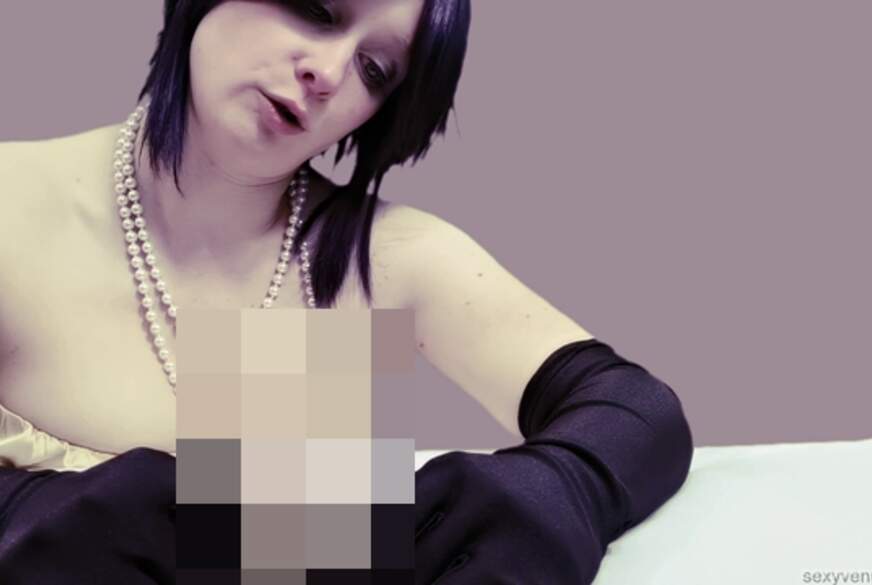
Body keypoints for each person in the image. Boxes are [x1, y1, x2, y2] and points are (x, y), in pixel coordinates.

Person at [0, 1, 694, 583]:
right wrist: (25, 505)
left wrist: (550, 490)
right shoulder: (14, 205)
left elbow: (636, 411)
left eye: (375, 69)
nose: (327, 73)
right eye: (316, 8)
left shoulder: (375, 261)